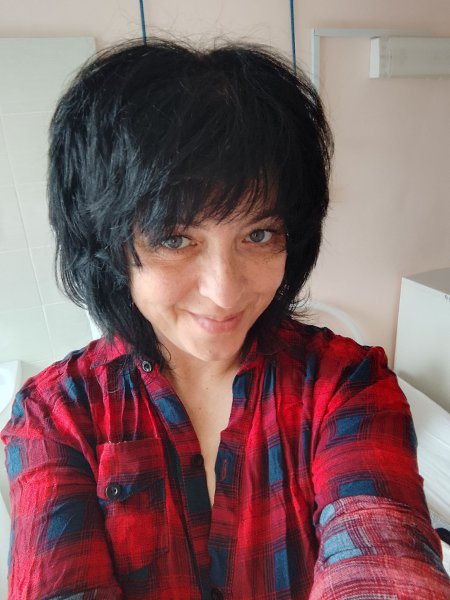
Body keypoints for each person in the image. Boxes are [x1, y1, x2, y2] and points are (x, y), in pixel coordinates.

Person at [1, 39, 449, 600]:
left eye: (258, 234)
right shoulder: (56, 416)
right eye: (175, 239)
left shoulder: (347, 386)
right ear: (107, 247)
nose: (224, 291)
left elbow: (382, 555)